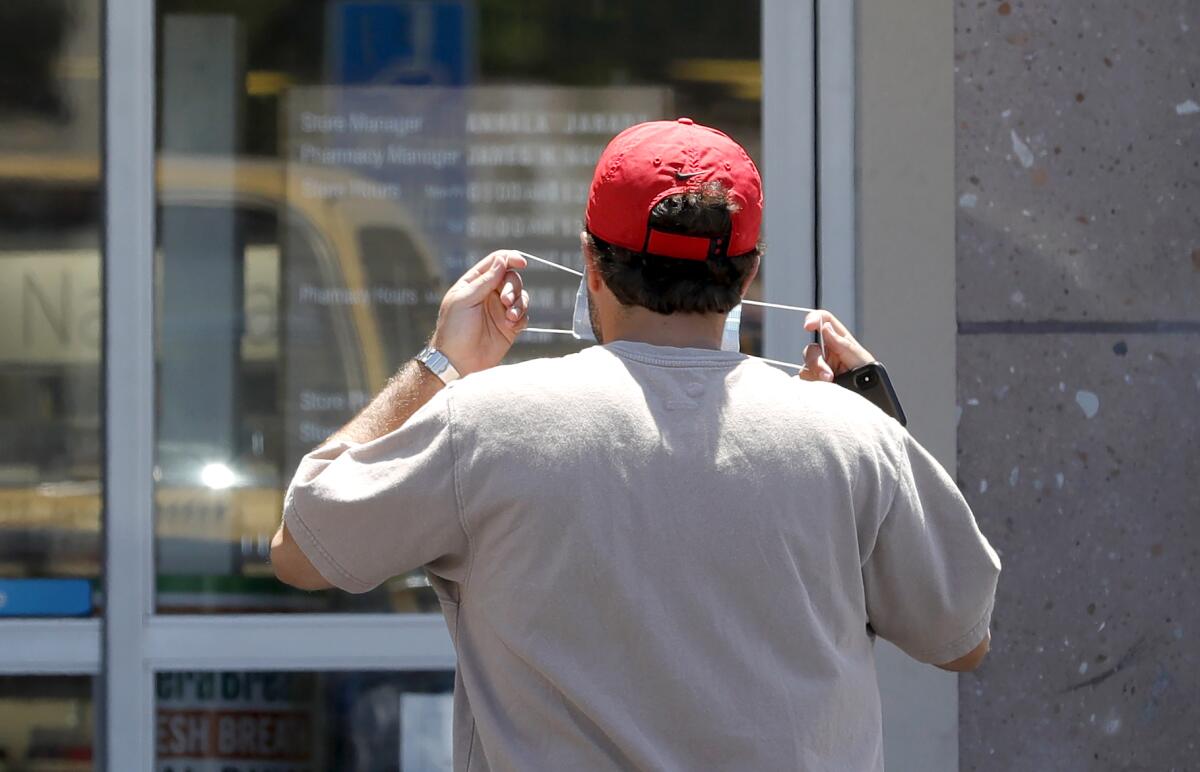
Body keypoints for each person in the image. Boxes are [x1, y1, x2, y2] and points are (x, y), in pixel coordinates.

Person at [271, 118, 1001, 771]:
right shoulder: (852, 437)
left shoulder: (487, 422)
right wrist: (872, 417)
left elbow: (302, 550)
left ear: (591, 263)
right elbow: (960, 639)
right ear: (749, 273)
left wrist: (440, 365)